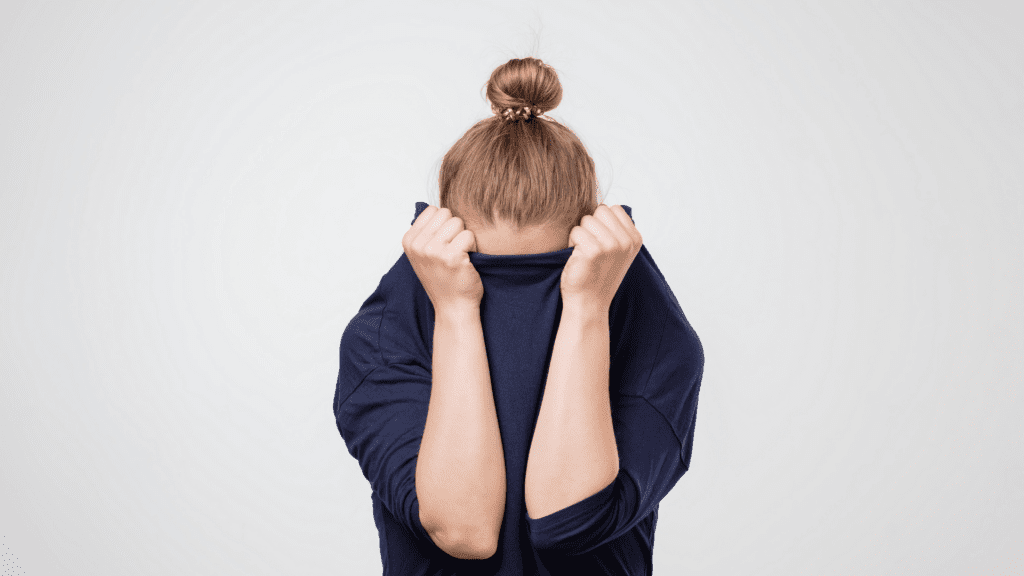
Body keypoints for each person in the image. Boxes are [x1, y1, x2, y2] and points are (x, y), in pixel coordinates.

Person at [333, 56, 704, 575]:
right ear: (439, 250)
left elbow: (568, 520)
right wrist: (457, 309)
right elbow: (464, 530)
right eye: (486, 276)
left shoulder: (657, 342)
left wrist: (587, 309)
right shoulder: (384, 340)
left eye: (548, 278)